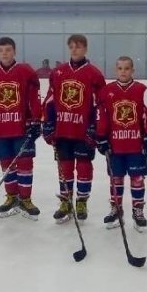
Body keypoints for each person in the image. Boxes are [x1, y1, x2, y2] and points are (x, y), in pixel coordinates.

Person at [43, 34, 105, 223]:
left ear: (85, 48)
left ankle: (81, 202)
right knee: (65, 166)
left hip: (83, 131)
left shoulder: (94, 74)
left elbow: (101, 104)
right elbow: (50, 100)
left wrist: (95, 127)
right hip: (63, 129)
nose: (75, 50)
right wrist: (48, 123)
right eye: (71, 46)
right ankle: (66, 201)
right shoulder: (58, 72)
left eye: (78, 46)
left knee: (84, 166)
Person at [0, 37, 42, 219]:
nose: (4, 53)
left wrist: (35, 120)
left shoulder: (25, 72)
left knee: (25, 163)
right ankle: (12, 197)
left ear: (14, 51)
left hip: (22, 128)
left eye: (8, 50)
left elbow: (34, 98)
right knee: (6, 164)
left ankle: (25, 198)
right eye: (1, 50)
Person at [96, 56, 147, 231]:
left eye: (127, 68)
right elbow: (102, 117)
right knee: (116, 178)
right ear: (116, 70)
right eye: (120, 68)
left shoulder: (142, 90)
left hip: (136, 145)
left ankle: (138, 210)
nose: (123, 71)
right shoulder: (107, 91)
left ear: (132, 70)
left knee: (137, 179)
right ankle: (117, 209)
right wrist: (101, 137)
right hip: (115, 146)